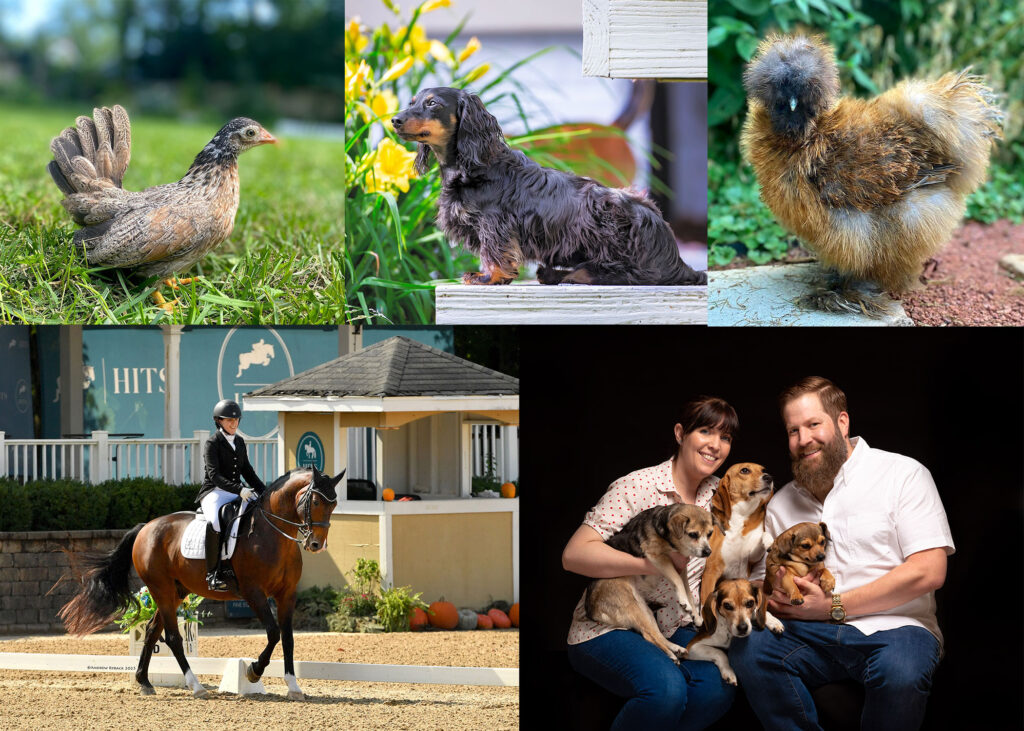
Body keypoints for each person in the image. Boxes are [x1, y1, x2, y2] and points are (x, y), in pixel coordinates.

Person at [730, 376, 953, 731]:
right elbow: (761, 582)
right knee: (749, 649)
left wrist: (833, 607)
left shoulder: (902, 474)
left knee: (901, 671)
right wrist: (780, 586)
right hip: (806, 633)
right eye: (793, 431)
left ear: (842, 422)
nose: (804, 440)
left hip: (894, 628)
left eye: (813, 424)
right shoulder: (781, 501)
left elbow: (929, 571)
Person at [561, 396, 739, 730]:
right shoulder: (637, 487)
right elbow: (574, 555)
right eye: (705, 431)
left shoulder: (721, 496)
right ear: (679, 433)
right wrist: (653, 564)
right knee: (666, 691)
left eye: (725, 437)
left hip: (673, 626)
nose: (715, 445)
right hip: (607, 625)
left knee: (716, 690)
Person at [195, 399, 267, 591]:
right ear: (219, 421)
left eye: (236, 420)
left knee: (259, 512)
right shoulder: (212, 443)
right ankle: (212, 574)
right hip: (215, 492)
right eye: (229, 420)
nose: (233, 423)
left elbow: (248, 472)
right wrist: (239, 490)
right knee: (215, 522)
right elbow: (214, 475)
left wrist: (265, 492)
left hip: (238, 491)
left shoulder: (240, 442)